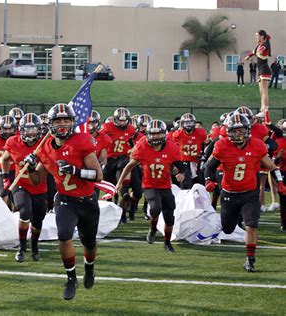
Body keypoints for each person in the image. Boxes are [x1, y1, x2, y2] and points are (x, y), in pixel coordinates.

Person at [25, 103, 102, 300]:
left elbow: (98, 175)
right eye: (58, 121)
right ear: (50, 124)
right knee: (64, 234)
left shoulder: (82, 141)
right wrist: (31, 168)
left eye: (66, 120)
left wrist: (75, 170)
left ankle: (90, 268)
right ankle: (70, 278)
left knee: (89, 242)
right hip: (65, 199)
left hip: (87, 200)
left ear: (73, 122)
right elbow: (37, 181)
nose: (62, 124)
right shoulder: (44, 148)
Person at [204, 113, 286, 272]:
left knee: (252, 225)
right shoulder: (222, 145)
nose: (238, 134)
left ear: (248, 130)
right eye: (234, 131)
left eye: (241, 130)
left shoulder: (257, 145)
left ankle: (250, 258)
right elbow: (209, 166)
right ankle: (239, 238)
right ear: (228, 131)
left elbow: (272, 167)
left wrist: (280, 182)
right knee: (227, 228)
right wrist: (208, 180)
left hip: (250, 193)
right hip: (229, 193)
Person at [116, 120, 185, 253]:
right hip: (149, 185)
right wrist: (120, 182)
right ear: (147, 134)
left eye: (158, 133)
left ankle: (167, 242)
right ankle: (153, 229)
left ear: (164, 134)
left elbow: (180, 165)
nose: (155, 137)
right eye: (152, 134)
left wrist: (181, 173)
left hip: (165, 186)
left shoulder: (172, 147)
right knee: (155, 208)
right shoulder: (142, 146)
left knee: (170, 217)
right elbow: (130, 165)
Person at [1, 113, 47, 262]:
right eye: (27, 130)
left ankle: (34, 245)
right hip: (20, 184)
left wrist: (34, 165)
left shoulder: (44, 145)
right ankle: (21, 248)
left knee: (38, 221)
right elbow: (4, 158)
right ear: (21, 130)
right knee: (24, 212)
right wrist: (5, 177)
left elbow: (43, 172)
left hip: (39, 186)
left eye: (33, 129)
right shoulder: (13, 142)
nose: (30, 133)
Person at [171, 113, 208, 189]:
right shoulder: (177, 134)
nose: (188, 125)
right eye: (186, 123)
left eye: (190, 122)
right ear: (182, 124)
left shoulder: (200, 132)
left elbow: (207, 143)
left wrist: (204, 153)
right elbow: (172, 147)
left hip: (197, 161)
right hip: (183, 161)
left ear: (194, 123)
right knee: (186, 184)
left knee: (199, 185)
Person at [244, 30, 272, 121]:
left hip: (264, 70)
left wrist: (256, 52)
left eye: (257, 36)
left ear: (262, 36)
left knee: (264, 91)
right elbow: (253, 52)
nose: (256, 38)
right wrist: (248, 56)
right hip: (260, 70)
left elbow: (261, 52)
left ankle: (265, 110)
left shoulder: (265, 45)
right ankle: (262, 108)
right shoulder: (259, 45)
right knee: (261, 91)